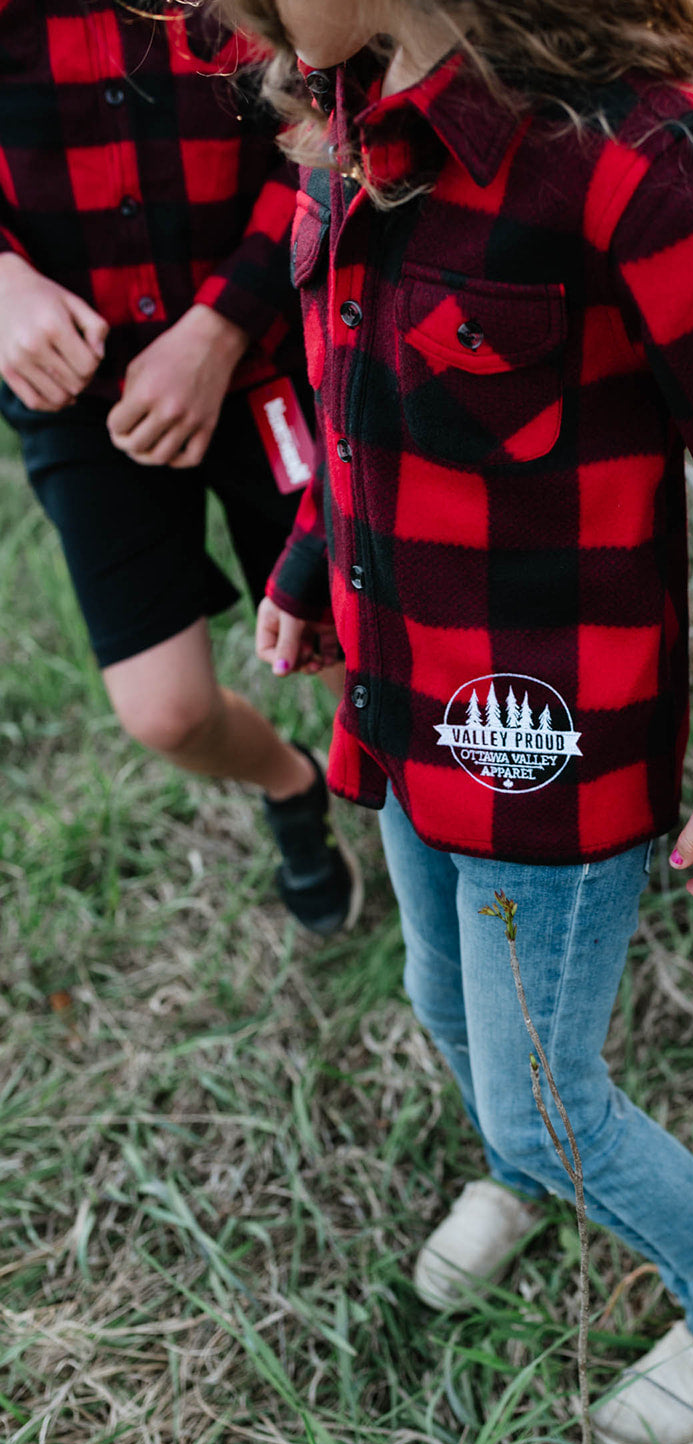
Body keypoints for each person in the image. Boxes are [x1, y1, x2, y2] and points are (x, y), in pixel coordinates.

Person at [223, 0, 693, 1444]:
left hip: (550, 739)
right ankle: (521, 1175)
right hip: (402, 692)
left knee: (547, 1094)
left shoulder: (633, 159)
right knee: (439, 994)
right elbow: (360, 388)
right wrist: (305, 563)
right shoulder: (343, 100)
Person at [0, 0, 355, 934]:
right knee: (167, 712)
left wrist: (220, 326)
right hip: (83, 399)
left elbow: (325, 129)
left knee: (350, 640)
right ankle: (292, 782)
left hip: (264, 352)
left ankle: (423, 844)